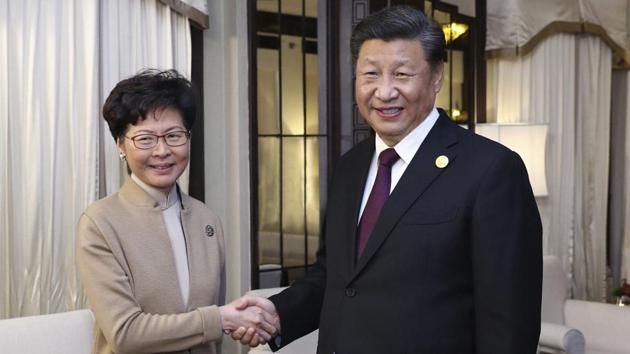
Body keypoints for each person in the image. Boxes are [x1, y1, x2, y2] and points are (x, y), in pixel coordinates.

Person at [236, 5, 542, 353]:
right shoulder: (350, 167)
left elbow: (509, 321)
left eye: (401, 75)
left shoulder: (492, 170)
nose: (384, 92)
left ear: (437, 76)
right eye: (370, 74)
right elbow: (336, 276)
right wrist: (278, 313)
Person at [77, 69, 278, 354]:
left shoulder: (207, 220)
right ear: (120, 144)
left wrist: (237, 323)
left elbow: (211, 336)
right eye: (145, 139)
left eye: (174, 135)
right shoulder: (100, 223)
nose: (162, 151)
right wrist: (221, 318)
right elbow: (125, 333)